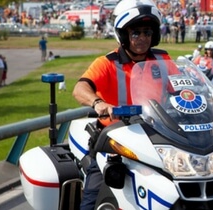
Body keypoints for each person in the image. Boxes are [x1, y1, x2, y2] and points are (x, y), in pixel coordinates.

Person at [71, 0, 173, 209]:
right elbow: (79, 89)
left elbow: (181, 88)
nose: (143, 38)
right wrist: (98, 103)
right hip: (115, 139)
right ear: (124, 35)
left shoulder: (163, 60)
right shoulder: (107, 63)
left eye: (147, 32)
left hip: (157, 135)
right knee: (94, 194)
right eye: (136, 33)